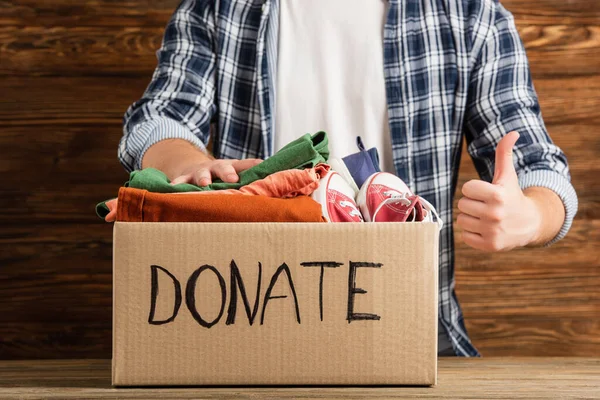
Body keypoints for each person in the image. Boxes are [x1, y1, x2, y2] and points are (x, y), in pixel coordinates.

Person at [118, 0, 578, 356]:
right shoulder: (220, 7)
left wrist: (531, 215)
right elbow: (161, 117)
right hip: (246, 331)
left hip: (417, 336)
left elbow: (539, 165)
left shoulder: (471, 14)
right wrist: (186, 164)